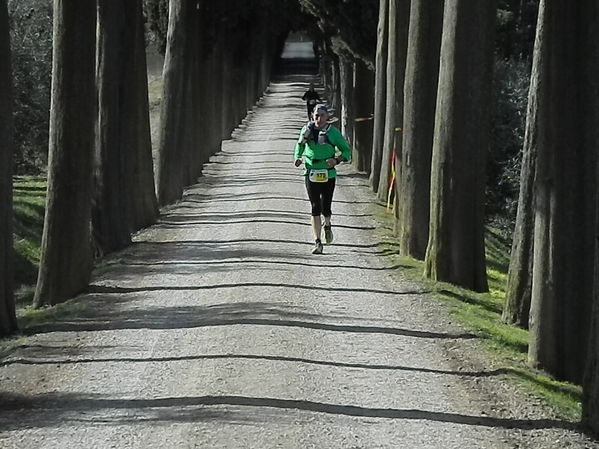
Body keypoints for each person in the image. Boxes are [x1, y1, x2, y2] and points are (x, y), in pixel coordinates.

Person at [294, 104, 352, 254]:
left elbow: (346, 151)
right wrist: (297, 157)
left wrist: (337, 160)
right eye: (316, 115)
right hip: (310, 171)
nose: (318, 119)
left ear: (327, 117)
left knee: (326, 206)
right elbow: (299, 145)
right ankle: (317, 241)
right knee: (315, 206)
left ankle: (327, 224)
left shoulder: (333, 133)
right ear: (312, 116)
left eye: (322, 116)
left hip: (328, 173)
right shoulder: (307, 130)